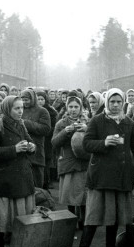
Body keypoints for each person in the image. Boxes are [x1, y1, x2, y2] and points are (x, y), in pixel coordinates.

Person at [76, 88, 134, 247]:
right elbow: (86, 144)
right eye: (112, 102)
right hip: (100, 176)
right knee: (93, 215)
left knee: (114, 214)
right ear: (106, 102)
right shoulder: (97, 120)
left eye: (118, 102)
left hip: (122, 175)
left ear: (123, 103)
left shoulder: (129, 123)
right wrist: (104, 143)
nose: (115, 105)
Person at [0, 96, 36, 247]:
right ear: (7, 109)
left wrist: (31, 147)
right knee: (0, 213)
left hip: (20, 174)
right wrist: (14, 149)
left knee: (18, 210)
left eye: (22, 108)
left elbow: (29, 141)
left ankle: (14, 240)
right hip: (3, 176)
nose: (21, 111)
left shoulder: (20, 124)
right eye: (17, 108)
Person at [52, 96, 89, 227]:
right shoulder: (61, 123)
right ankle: (71, 221)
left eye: (76, 107)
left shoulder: (88, 122)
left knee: (83, 195)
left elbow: (95, 139)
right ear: (67, 108)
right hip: (68, 163)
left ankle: (84, 221)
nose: (73, 110)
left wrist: (86, 129)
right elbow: (54, 142)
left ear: (81, 108)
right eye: (71, 107)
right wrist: (64, 132)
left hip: (84, 163)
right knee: (70, 195)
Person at [20, 89, 51, 188]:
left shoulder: (42, 111)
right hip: (22, 151)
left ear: (33, 99)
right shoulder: (19, 109)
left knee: (36, 185)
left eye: (27, 99)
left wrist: (26, 123)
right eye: (23, 99)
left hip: (37, 152)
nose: (25, 102)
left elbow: (46, 129)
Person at [36, 91, 58, 189]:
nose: (40, 101)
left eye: (42, 99)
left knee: (46, 164)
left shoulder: (51, 112)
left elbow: (54, 128)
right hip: (36, 141)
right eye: (38, 99)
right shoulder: (33, 110)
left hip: (47, 141)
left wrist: (43, 130)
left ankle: (45, 184)